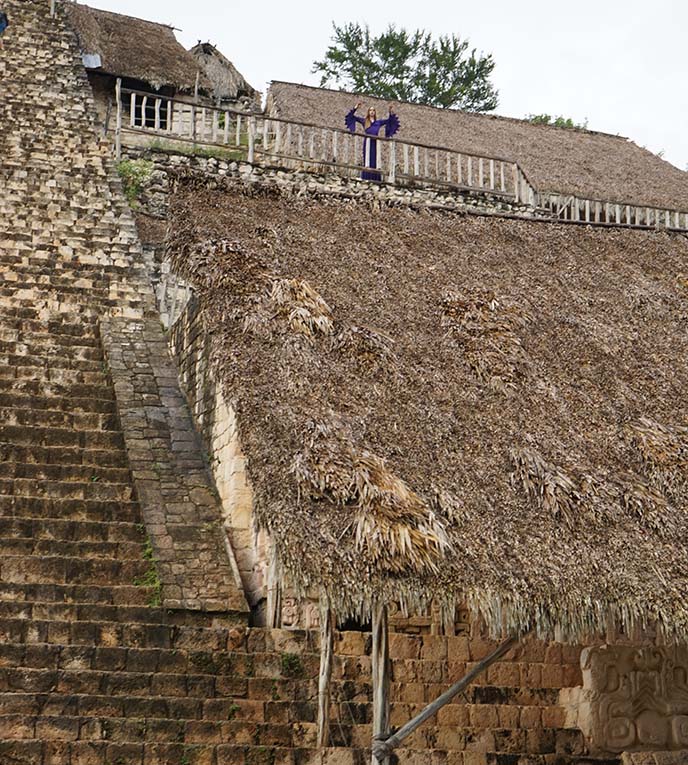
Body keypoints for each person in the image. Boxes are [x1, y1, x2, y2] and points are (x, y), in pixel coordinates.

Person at [345, 101, 400, 181]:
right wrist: (355, 108)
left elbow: (390, 121)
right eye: (370, 110)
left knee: (374, 160)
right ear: (368, 112)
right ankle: (366, 177)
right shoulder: (364, 121)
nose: (372, 112)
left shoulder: (378, 122)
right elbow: (351, 117)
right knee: (367, 159)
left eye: (373, 110)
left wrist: (390, 111)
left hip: (375, 143)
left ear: (375, 112)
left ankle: (375, 179)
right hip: (367, 143)